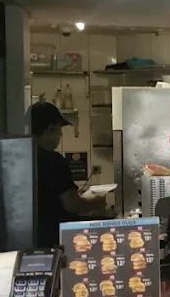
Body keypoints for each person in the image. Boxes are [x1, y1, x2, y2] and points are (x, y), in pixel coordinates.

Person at [31, 101, 111, 246]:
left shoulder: (22, 157)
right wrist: (97, 202)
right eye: (59, 129)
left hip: (30, 239)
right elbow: (72, 205)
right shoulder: (53, 160)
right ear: (50, 129)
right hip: (54, 240)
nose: (60, 134)